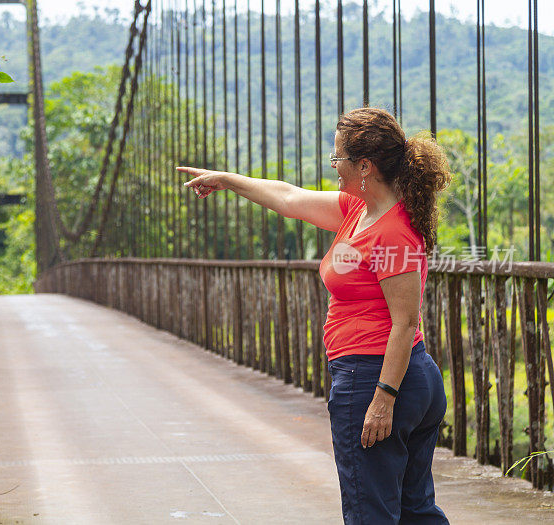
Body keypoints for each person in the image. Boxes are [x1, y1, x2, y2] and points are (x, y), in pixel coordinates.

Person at [177, 107, 452, 524]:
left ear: (365, 165)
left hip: (376, 379)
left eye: (337, 158)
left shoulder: (391, 231)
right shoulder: (359, 211)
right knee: (415, 513)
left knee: (370, 513)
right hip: (398, 376)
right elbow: (289, 198)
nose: (333, 167)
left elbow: (405, 321)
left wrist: (383, 398)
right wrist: (227, 180)